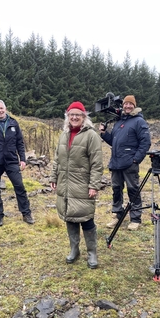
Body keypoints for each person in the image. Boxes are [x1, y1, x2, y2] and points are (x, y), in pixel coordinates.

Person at [49, 101, 103, 269]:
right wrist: (53, 177)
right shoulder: (64, 134)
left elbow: (97, 163)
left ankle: (92, 252)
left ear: (83, 117)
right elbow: (57, 159)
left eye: (77, 115)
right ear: (67, 116)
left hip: (83, 184)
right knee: (69, 216)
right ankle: (74, 249)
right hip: (65, 184)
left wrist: (93, 185)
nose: (74, 117)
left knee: (86, 218)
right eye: (71, 114)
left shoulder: (91, 135)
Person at [99, 95, 151, 231]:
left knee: (133, 190)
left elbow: (145, 142)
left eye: (130, 104)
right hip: (116, 162)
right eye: (125, 104)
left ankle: (135, 218)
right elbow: (113, 142)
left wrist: (136, 159)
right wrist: (104, 133)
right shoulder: (119, 121)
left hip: (129, 163)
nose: (127, 106)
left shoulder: (139, 121)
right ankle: (117, 214)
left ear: (134, 106)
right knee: (116, 189)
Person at [0, 99, 34, 227]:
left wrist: (22, 159)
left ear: (5, 109)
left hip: (11, 160)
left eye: (1, 108)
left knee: (20, 187)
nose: (0, 111)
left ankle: (26, 213)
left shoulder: (13, 123)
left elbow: (20, 143)